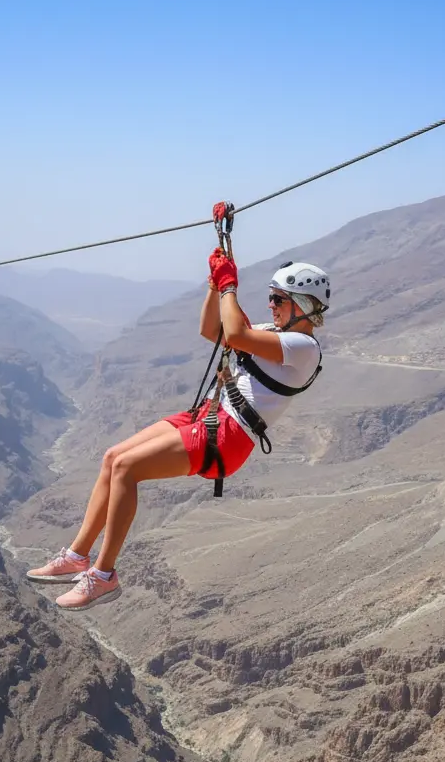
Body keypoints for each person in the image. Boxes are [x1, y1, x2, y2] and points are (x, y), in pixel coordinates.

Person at [25, 246, 331, 610]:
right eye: (270, 297)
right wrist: (215, 286)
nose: (271, 305)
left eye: (278, 298)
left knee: (127, 469)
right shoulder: (277, 334)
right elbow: (211, 330)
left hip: (229, 436)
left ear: (303, 304)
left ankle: (103, 576)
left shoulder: (303, 347)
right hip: (210, 415)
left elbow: (234, 334)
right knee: (113, 457)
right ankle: (77, 556)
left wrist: (230, 285)